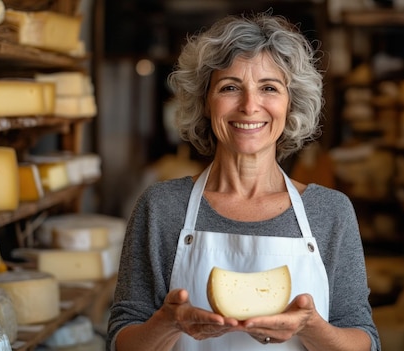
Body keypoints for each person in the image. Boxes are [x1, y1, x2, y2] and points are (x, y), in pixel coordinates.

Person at [107, 12, 381, 351]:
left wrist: (309, 327)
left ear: (290, 102)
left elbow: (365, 341)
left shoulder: (329, 211)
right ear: (205, 102)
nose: (250, 106)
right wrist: (169, 323)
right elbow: (121, 340)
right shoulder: (162, 206)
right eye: (230, 87)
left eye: (269, 88)